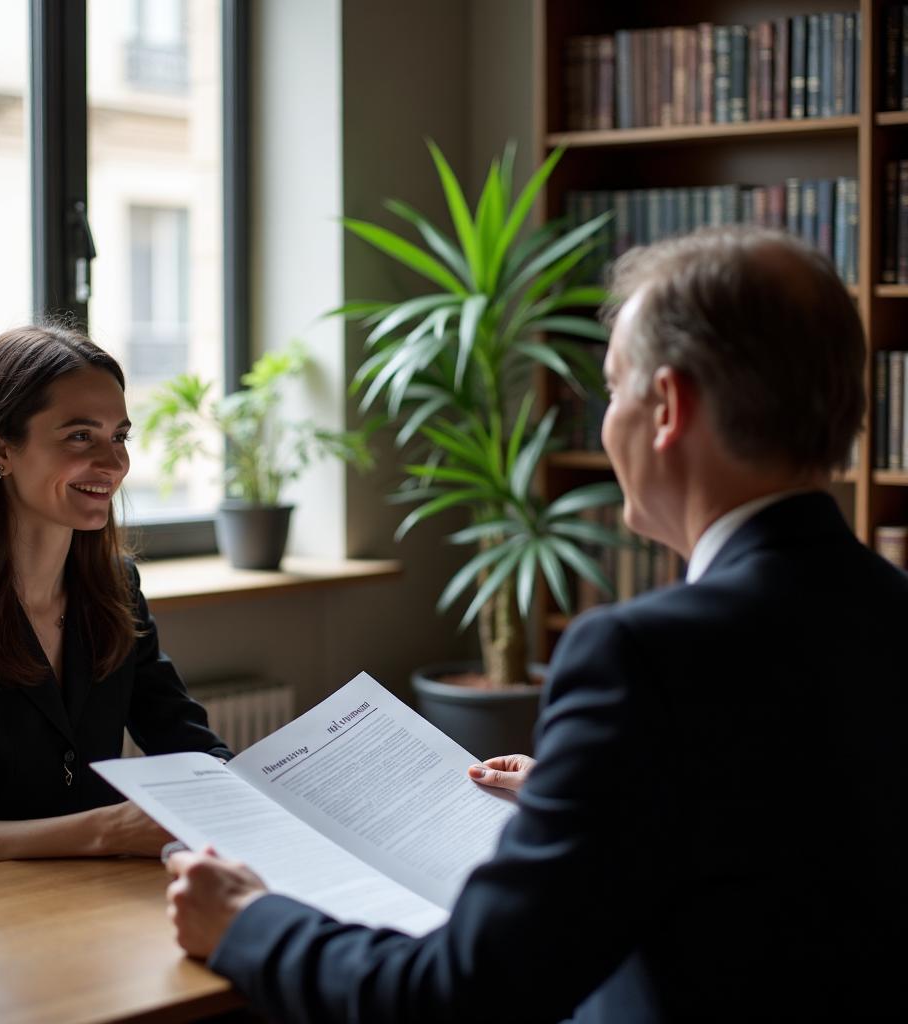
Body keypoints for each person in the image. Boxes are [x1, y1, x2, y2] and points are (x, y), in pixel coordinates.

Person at [165, 226, 907, 1021]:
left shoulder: (643, 656)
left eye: (614, 391)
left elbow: (458, 996)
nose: (604, 421)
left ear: (667, 408)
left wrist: (251, 921)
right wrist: (589, 798)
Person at [0, 324, 231, 882]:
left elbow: (189, 748)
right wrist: (109, 830)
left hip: (86, 893)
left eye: (119, 435)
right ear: (1, 449)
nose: (113, 462)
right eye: (79, 437)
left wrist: (270, 791)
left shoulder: (116, 588)